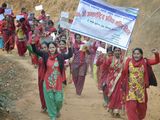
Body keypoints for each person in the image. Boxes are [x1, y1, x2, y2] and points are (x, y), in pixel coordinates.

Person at [31, 39, 72, 120]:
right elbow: (36, 51)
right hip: (47, 82)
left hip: (58, 82)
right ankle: (52, 116)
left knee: (59, 100)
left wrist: (69, 47)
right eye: (50, 48)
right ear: (48, 49)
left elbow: (69, 55)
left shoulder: (60, 56)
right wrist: (33, 44)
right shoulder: (45, 55)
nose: (51, 49)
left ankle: (57, 110)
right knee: (50, 100)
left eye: (53, 47)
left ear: (56, 48)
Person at [122, 48, 159, 120]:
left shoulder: (145, 61)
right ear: (132, 54)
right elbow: (124, 73)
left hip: (141, 91)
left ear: (141, 55)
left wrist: (156, 54)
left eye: (138, 54)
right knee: (131, 109)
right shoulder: (128, 61)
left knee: (142, 111)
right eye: (135, 54)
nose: (136, 55)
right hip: (131, 90)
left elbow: (157, 61)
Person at [103, 47, 124, 117]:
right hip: (111, 80)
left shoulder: (123, 59)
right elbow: (105, 69)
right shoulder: (109, 59)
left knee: (119, 95)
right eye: (116, 51)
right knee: (112, 95)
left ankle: (116, 111)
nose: (117, 52)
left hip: (120, 80)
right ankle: (112, 109)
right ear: (113, 52)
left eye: (118, 50)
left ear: (120, 52)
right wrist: (105, 80)